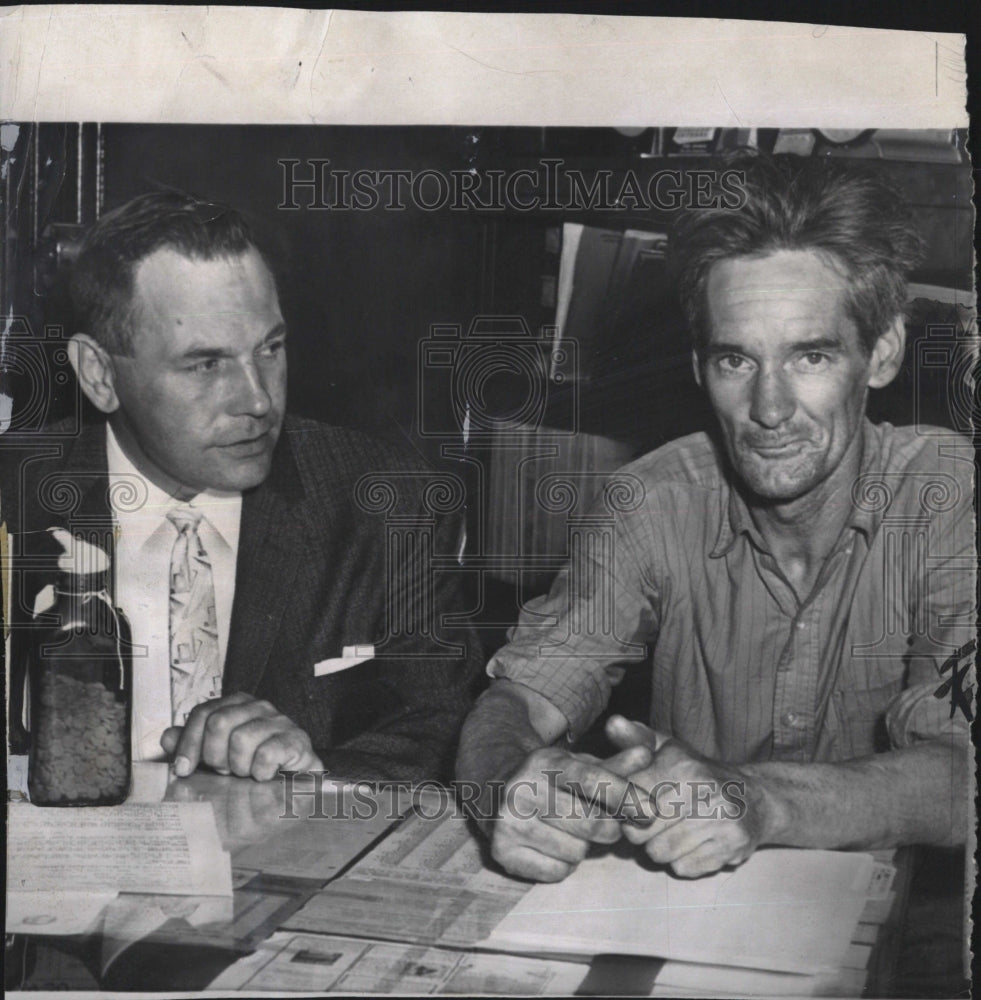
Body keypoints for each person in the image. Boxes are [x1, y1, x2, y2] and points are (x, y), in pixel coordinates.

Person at [455, 155, 976, 882]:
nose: (768, 410)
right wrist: (509, 782)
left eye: (810, 357)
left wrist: (756, 799)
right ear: (699, 363)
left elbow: (963, 776)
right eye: (736, 361)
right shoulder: (652, 499)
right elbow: (516, 699)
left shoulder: (946, 493)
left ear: (880, 352)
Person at [4, 190, 482, 783]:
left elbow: (451, 730)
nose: (257, 400)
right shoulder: (14, 500)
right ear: (100, 375)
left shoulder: (386, 501)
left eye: (270, 349)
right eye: (207, 365)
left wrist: (311, 772)